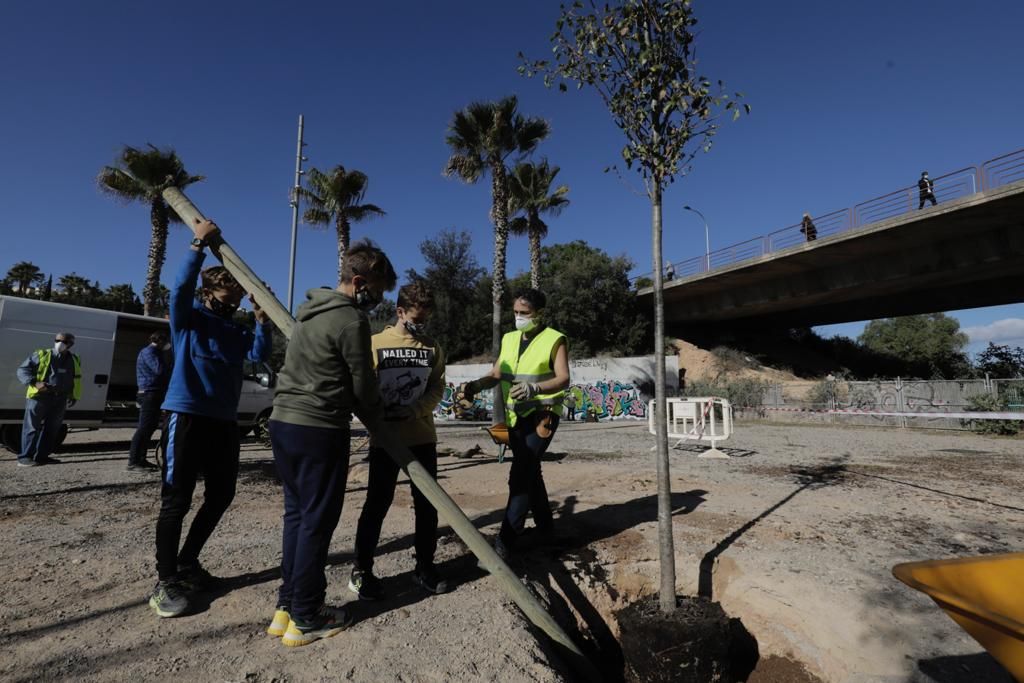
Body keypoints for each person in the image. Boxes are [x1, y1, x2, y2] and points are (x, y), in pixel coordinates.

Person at [266, 239, 396, 647]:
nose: (376, 300)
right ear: (359, 281)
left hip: (283, 422)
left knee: (297, 517)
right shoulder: (350, 321)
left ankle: (287, 606)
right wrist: (381, 415)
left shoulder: (308, 313)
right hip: (318, 427)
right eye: (375, 291)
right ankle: (307, 616)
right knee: (317, 523)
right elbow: (362, 384)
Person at [149, 218, 273, 619]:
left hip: (223, 422)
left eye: (237, 299)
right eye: (226, 297)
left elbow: (257, 355)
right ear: (209, 293)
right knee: (177, 501)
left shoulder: (232, 329)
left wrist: (260, 321)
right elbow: (179, 290)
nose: (231, 304)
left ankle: (188, 562)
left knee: (221, 495)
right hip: (184, 416)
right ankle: (165, 580)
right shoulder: (189, 321)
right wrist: (195, 246)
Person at [350, 281, 448, 602]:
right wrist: (376, 413)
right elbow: (361, 387)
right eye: (416, 318)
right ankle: (362, 570)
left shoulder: (432, 347)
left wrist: (415, 409)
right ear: (400, 312)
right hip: (385, 442)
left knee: (427, 506)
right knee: (377, 505)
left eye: (426, 319)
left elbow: (437, 388)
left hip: (422, 437)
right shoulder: (374, 344)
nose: (421, 325)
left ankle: (425, 566)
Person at [460, 288, 570, 562]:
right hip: (516, 417)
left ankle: (505, 542)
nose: (519, 317)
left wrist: (536, 388)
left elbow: (563, 378)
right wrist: (474, 386)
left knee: (520, 474)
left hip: (543, 414)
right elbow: (498, 373)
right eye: (516, 313)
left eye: (525, 313)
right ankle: (546, 531)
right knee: (531, 472)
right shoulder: (509, 339)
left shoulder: (554, 339)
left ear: (540, 314)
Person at [15, 332, 81, 466]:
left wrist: (73, 395)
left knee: (52, 429)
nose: (60, 343)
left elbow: (76, 379)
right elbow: (22, 370)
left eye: (64, 341)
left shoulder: (74, 359)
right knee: (32, 427)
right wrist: (35, 383)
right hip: (39, 397)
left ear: (71, 344)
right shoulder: (42, 355)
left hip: (60, 398)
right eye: (57, 340)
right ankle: (25, 457)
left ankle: (42, 456)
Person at [127, 332, 171, 472]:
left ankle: (141, 459)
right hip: (149, 393)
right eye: (166, 342)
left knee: (149, 427)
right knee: (144, 427)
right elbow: (159, 370)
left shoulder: (154, 352)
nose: (167, 345)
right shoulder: (150, 352)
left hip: (153, 393)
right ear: (159, 341)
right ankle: (133, 461)